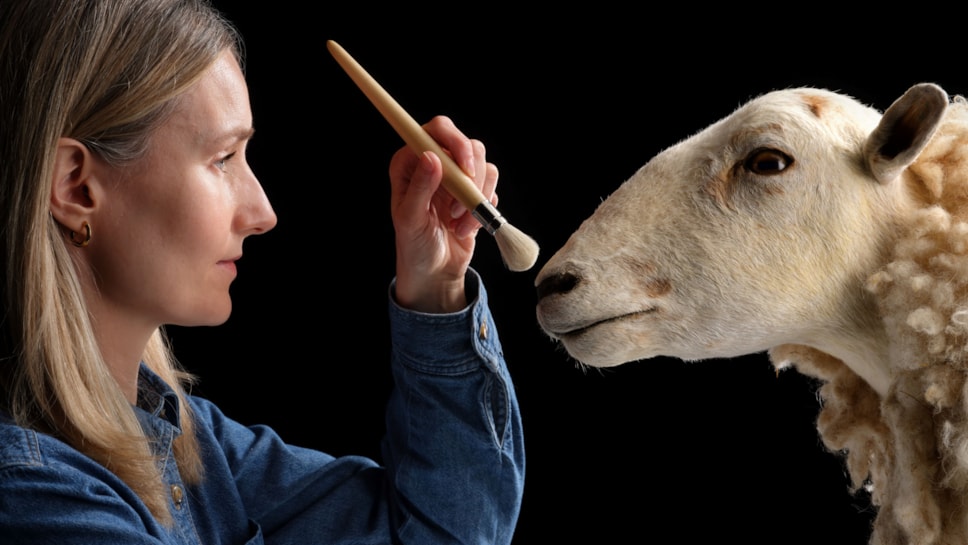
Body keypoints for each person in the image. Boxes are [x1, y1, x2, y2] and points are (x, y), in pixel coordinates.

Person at [0, 1, 524, 543]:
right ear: (76, 186)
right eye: (223, 159)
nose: (264, 214)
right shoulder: (34, 498)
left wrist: (436, 286)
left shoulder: (193, 446)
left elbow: (448, 531)